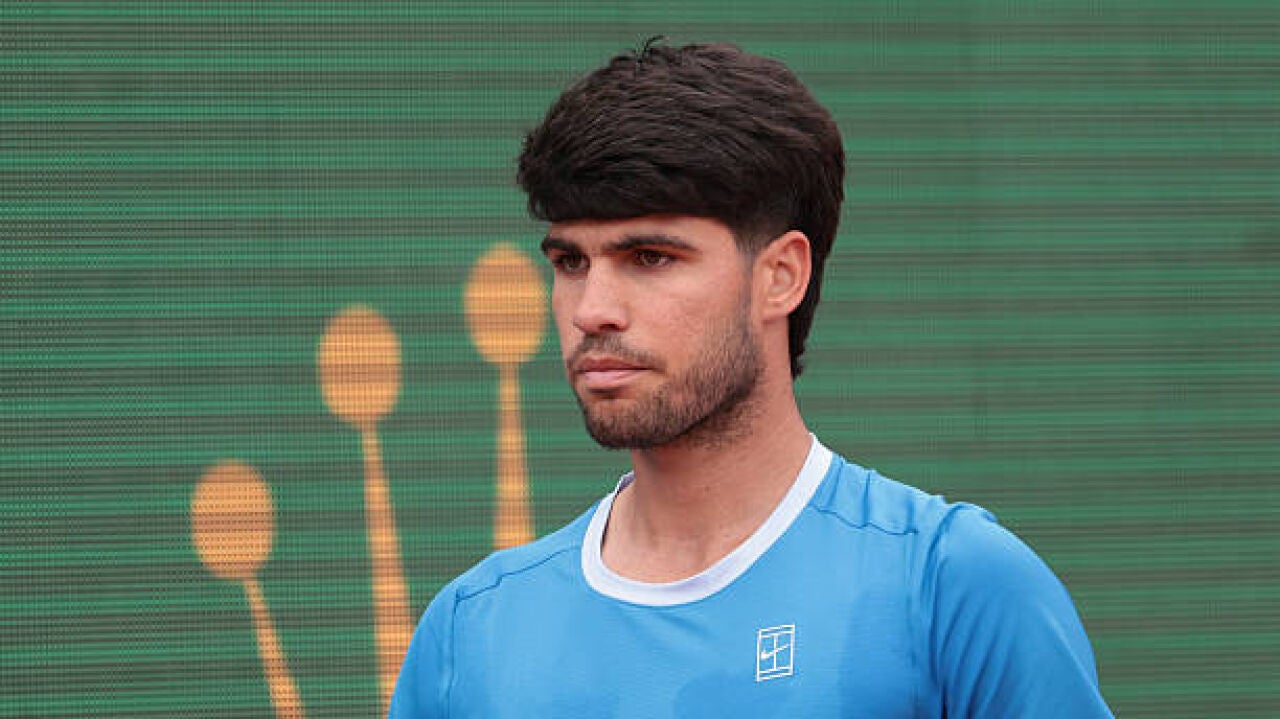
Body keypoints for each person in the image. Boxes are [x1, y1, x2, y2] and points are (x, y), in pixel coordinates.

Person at [390, 41, 1113, 718]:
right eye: (571, 262)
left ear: (781, 276)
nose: (592, 309)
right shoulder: (471, 632)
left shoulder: (951, 586)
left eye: (649, 257)